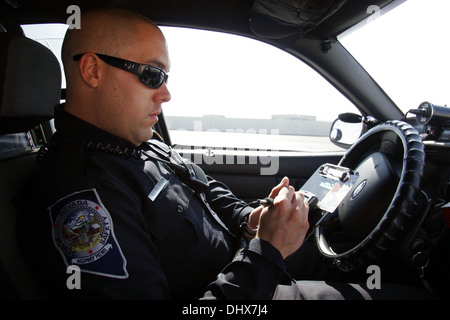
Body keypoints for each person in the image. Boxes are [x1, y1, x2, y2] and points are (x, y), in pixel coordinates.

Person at [18, 7, 431, 300]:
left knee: (387, 270)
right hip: (242, 289)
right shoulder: (78, 198)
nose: (166, 92)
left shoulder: (140, 145)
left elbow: (209, 194)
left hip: (248, 269)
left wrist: (253, 220)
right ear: (92, 71)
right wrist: (267, 253)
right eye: (151, 75)